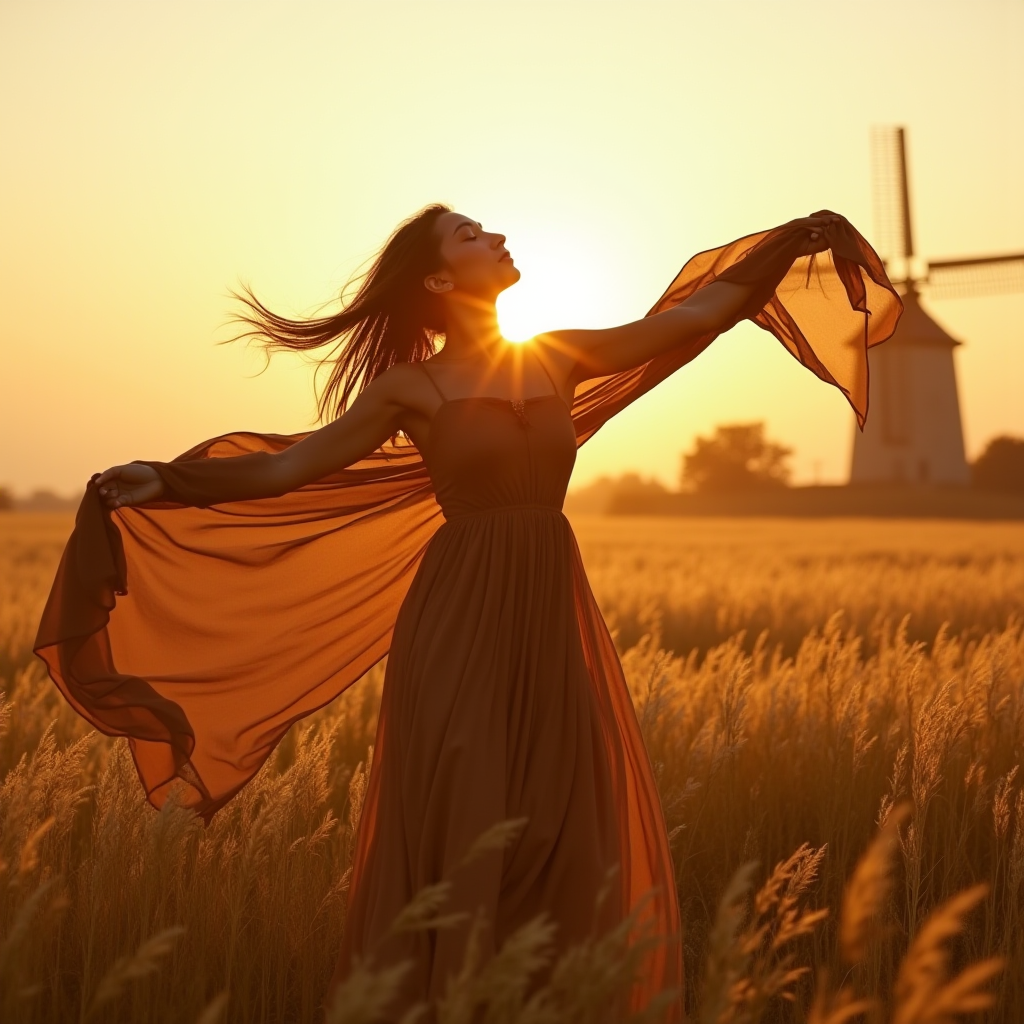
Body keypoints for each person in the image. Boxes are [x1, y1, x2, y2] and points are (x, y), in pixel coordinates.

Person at [37, 204, 901, 1022]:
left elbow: (692, 320)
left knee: (563, 811)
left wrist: (788, 244)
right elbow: (290, 469)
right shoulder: (410, 389)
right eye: (470, 235)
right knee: (469, 802)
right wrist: (171, 480)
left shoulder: (557, 355)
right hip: (457, 618)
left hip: (551, 609)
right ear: (441, 284)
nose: (495, 235)